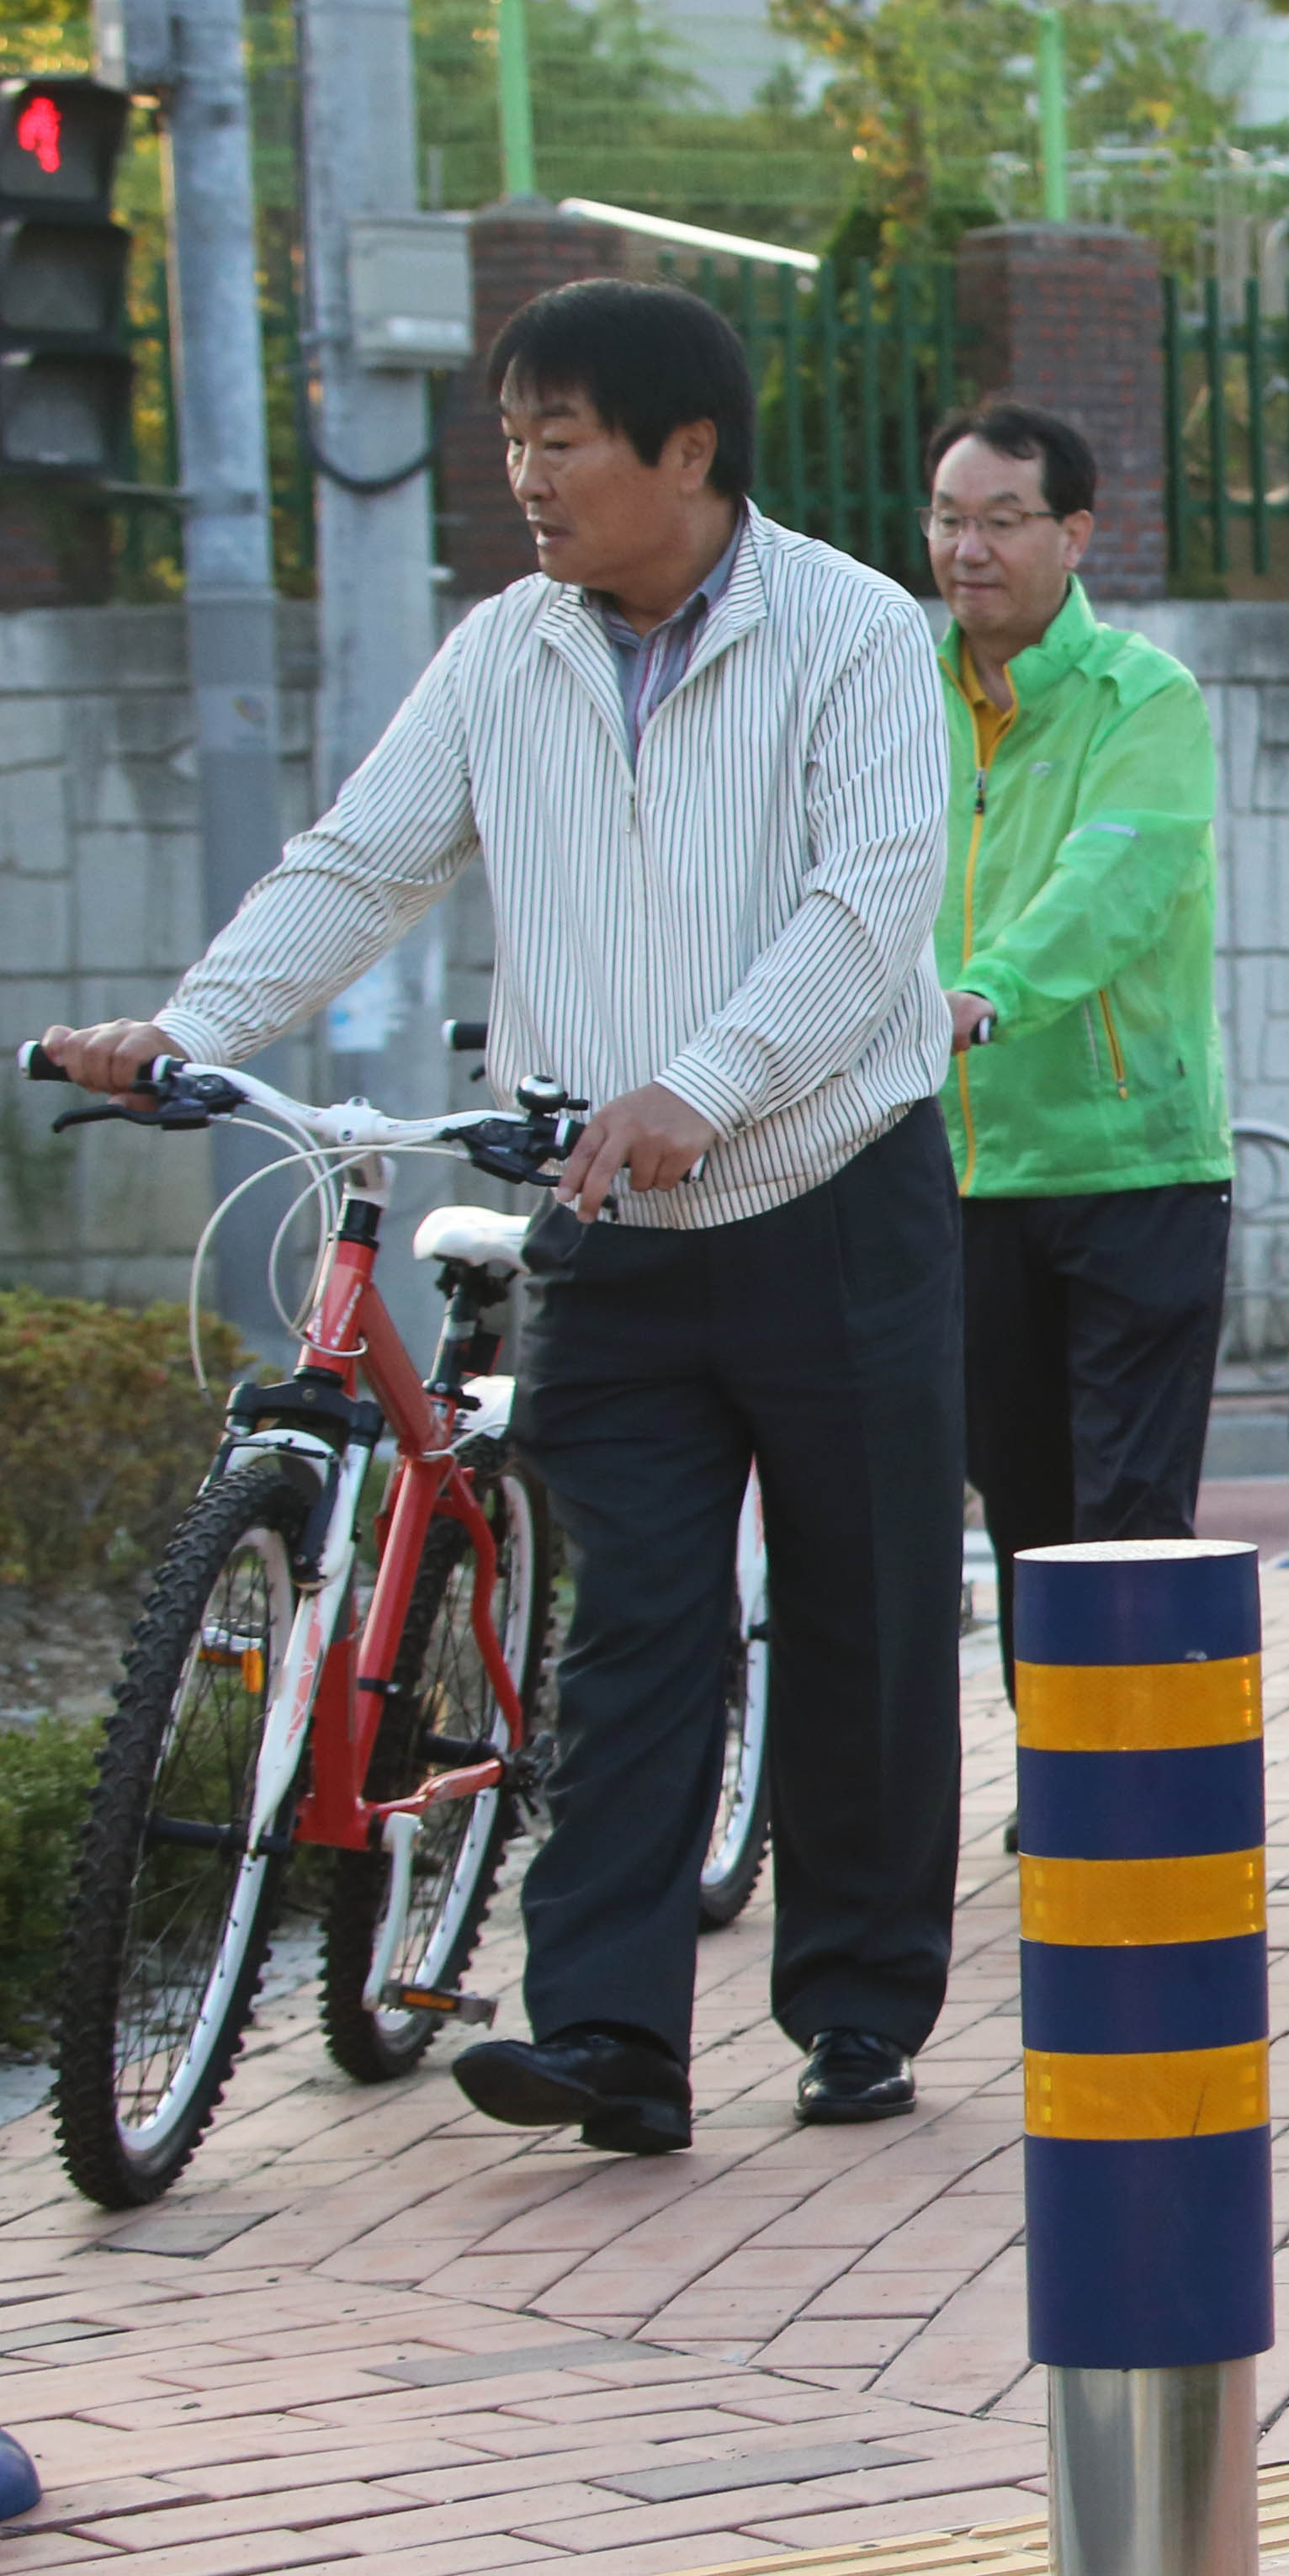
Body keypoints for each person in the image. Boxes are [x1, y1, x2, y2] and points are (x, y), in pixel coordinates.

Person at [40, 278, 961, 2148]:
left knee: (864, 1620)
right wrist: (191, 1029)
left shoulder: (855, 635)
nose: (525, 477)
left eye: (561, 439)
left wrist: (699, 1091)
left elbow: (867, 920)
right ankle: (613, 2033)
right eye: (511, 440)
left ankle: (858, 2010)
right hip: (606, 1229)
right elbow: (361, 860)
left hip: (835, 1199)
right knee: (630, 1627)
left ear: (685, 452)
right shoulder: (504, 654)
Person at [927, 403, 1231, 1681]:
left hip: (1133, 1169)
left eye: (1003, 520)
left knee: (1127, 1511)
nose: (968, 548)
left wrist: (982, 991)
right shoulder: (897, 695)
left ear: (1075, 534)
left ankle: (1142, 1813)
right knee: (1022, 1507)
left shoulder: (1141, 697)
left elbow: (1111, 882)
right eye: (948, 517)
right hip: (957, 1170)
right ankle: (1066, 1785)